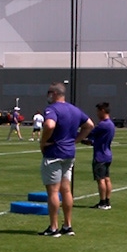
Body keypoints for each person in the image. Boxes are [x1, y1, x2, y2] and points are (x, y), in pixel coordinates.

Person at [38, 83, 94, 236]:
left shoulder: (53, 109)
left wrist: (43, 141)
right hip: (69, 153)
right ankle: (68, 225)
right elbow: (89, 125)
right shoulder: (74, 109)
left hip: (54, 153)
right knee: (66, 190)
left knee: (53, 192)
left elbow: (49, 125)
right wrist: (75, 140)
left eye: (49, 93)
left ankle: (53, 227)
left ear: (55, 93)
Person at [83, 102, 115, 209]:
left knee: (100, 179)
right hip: (107, 154)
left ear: (102, 111)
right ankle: (107, 201)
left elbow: (89, 133)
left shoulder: (103, 125)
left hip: (100, 155)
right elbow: (98, 140)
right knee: (107, 178)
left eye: (98, 111)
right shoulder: (110, 124)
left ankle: (102, 202)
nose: (96, 114)